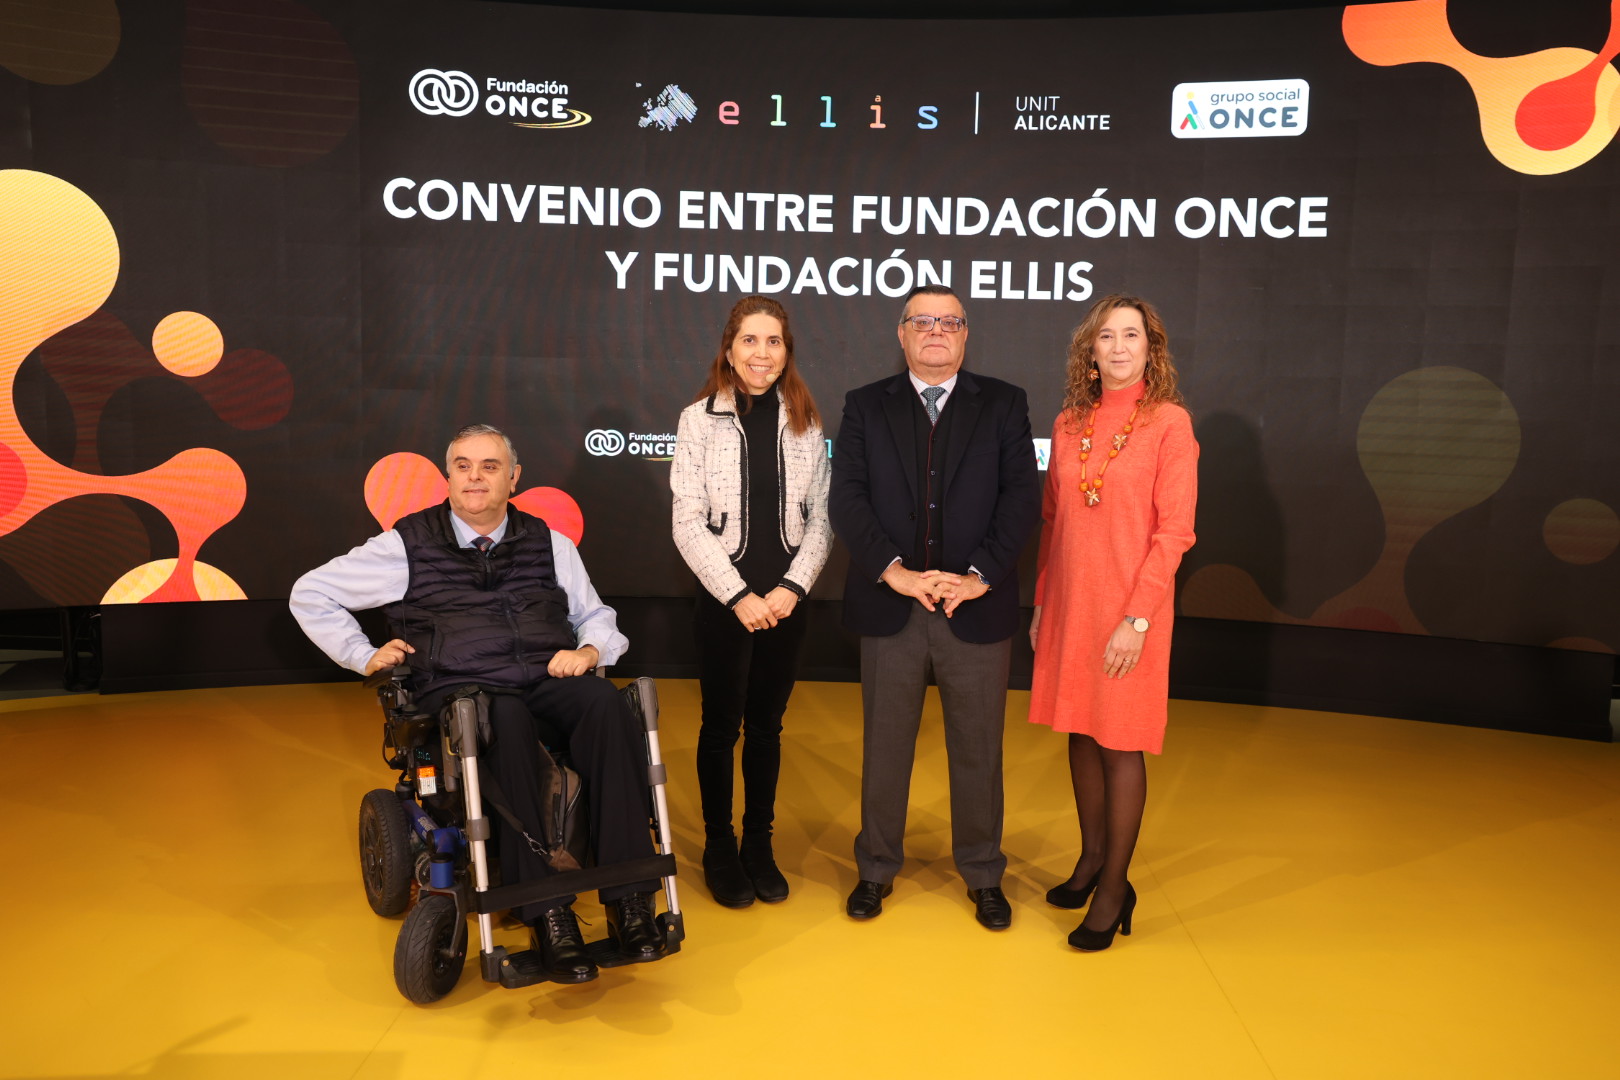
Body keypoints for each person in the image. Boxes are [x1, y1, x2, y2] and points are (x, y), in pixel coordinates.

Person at [290, 424, 667, 983]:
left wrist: (590, 649)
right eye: (463, 465)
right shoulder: (407, 544)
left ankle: (631, 901)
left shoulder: (549, 542)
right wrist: (361, 654)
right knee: (504, 718)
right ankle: (549, 915)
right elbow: (311, 592)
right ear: (447, 477)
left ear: (513, 479)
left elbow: (595, 616)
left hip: (543, 673)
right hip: (462, 684)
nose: (475, 477)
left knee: (605, 706)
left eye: (490, 467)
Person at [828, 284, 1040, 929]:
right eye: (923, 320)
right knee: (884, 748)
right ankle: (875, 869)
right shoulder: (866, 406)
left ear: (966, 334)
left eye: (950, 321)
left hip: (974, 609)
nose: (937, 331)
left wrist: (978, 577)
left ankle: (982, 872)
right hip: (891, 605)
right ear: (902, 333)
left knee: (978, 750)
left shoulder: (1005, 404)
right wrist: (894, 572)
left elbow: (1021, 501)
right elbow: (849, 499)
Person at [1028, 294, 1198, 951]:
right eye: (1108, 337)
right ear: (1090, 351)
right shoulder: (1071, 422)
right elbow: (1053, 523)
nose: (1120, 347)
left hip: (1132, 612)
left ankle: (1113, 889)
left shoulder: (1170, 425)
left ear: (1151, 350)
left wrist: (1137, 618)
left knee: (1120, 742)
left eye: (1133, 336)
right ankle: (1091, 859)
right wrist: (1043, 602)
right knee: (1079, 729)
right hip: (1072, 606)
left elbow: (1175, 531)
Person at [670, 296, 831, 908]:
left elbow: (821, 520)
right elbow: (687, 523)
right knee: (720, 728)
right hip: (725, 604)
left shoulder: (806, 422)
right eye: (750, 341)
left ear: (786, 352)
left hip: (787, 607)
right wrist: (739, 595)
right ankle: (719, 845)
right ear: (729, 350)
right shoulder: (696, 421)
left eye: (774, 342)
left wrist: (791, 589)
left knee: (767, 728)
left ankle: (758, 846)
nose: (762, 354)